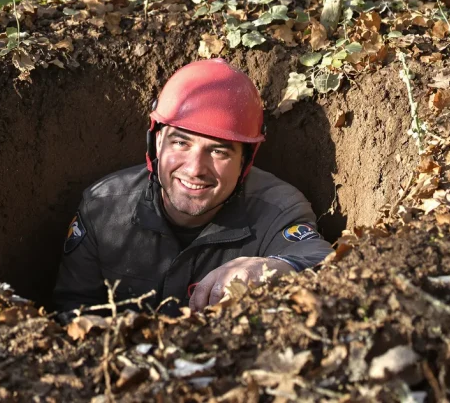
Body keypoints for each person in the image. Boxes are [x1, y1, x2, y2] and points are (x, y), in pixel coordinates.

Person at [53, 59, 333, 315]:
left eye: (219, 152)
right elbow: (73, 309)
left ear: (245, 162)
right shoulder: (103, 208)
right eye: (180, 143)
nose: (195, 168)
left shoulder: (278, 210)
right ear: (157, 143)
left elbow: (324, 262)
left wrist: (273, 267)